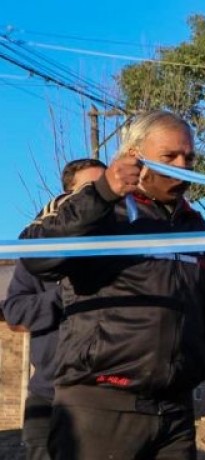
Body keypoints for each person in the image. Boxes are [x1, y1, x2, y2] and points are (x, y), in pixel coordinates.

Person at [19, 110, 205, 460]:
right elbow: (35, 255)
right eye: (169, 157)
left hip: (173, 414)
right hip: (100, 410)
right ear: (134, 156)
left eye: (188, 157)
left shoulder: (197, 231)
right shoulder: (101, 213)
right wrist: (102, 193)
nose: (182, 165)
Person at [2, 158, 105, 460]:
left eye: (105, 188)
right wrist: (63, 295)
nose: (99, 198)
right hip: (49, 396)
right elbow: (15, 312)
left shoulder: (119, 250)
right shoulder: (38, 256)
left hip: (107, 401)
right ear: (67, 199)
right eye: (90, 190)